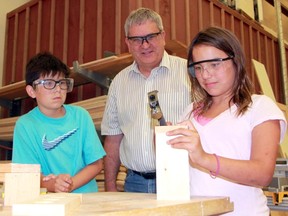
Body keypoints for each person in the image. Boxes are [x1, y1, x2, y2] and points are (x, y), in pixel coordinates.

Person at [166, 26, 287, 215]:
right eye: (198, 67)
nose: (205, 75)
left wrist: (204, 158)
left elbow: (262, 174)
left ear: (236, 61)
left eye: (214, 64)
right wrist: (166, 144)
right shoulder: (189, 111)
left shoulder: (260, 107)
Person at [101, 7, 191, 193]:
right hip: (134, 183)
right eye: (136, 39)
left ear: (163, 36)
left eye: (151, 36)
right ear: (127, 42)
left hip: (183, 179)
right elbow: (113, 139)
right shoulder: (119, 83)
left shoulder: (189, 74)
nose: (145, 45)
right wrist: (110, 187)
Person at [12, 52, 106, 193]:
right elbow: (26, 174)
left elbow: (97, 164)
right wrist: (52, 185)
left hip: (87, 199)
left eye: (61, 83)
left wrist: (69, 185)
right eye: (49, 83)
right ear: (31, 91)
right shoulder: (25, 125)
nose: (58, 89)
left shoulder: (81, 116)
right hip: (50, 203)